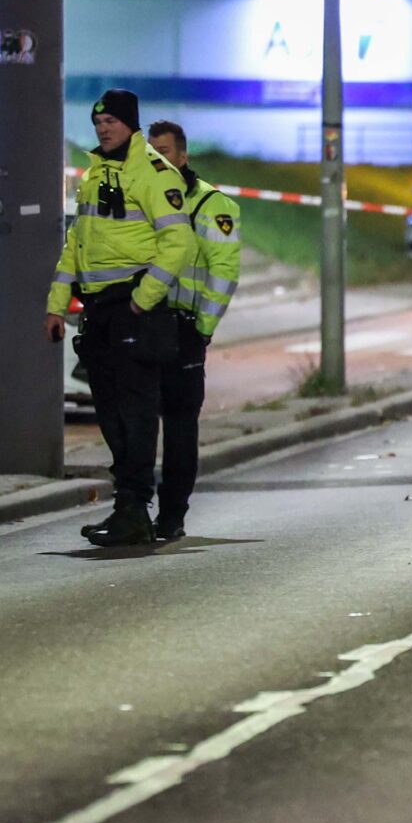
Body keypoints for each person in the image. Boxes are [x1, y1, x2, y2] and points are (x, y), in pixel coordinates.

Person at [45, 89, 195, 547]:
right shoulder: (95, 174)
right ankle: (128, 506)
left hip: (133, 308)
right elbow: (76, 244)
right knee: (110, 413)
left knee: (135, 412)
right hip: (100, 311)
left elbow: (180, 243)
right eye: (98, 121)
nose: (103, 127)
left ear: (130, 123)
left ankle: (134, 507)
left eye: (111, 120)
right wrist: (56, 303)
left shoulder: (152, 172)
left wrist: (142, 299)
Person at [144, 120, 242, 544]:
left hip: (183, 328)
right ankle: (134, 509)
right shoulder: (142, 197)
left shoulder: (210, 206)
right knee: (138, 423)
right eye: (152, 151)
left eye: (164, 150)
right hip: (144, 323)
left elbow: (223, 273)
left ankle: (171, 514)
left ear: (182, 156)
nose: (157, 158)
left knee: (180, 428)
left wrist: (202, 328)